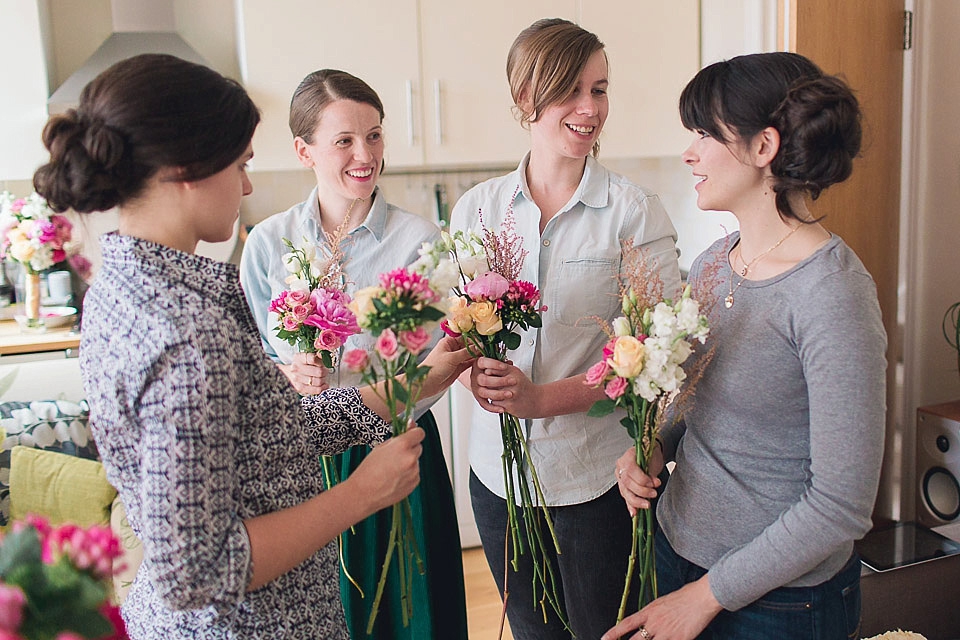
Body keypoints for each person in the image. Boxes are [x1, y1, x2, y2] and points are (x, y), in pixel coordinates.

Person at [32, 53, 471, 638]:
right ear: (188, 168)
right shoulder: (187, 334)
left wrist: (401, 391)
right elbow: (195, 570)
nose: (247, 183)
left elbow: (259, 433)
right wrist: (359, 494)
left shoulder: (122, 289)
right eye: (239, 163)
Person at [603, 52, 887, 640]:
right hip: (678, 548)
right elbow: (695, 398)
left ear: (764, 148)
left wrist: (704, 598)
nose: (690, 151)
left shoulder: (831, 293)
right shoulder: (714, 263)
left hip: (778, 605)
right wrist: (654, 446)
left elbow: (841, 504)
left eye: (705, 133)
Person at [453, 18, 682, 640]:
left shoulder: (633, 212)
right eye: (570, 91)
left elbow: (652, 353)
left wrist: (540, 399)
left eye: (600, 89)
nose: (590, 109)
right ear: (525, 96)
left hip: (593, 484)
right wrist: (470, 364)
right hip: (496, 481)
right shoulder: (476, 208)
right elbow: (463, 324)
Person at [239, 69, 467, 639]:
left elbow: (439, 361)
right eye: (344, 140)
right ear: (303, 150)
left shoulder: (419, 242)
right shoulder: (268, 243)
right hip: (303, 461)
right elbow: (247, 365)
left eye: (374, 135)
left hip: (396, 453)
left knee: (410, 616)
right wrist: (286, 372)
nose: (364, 154)